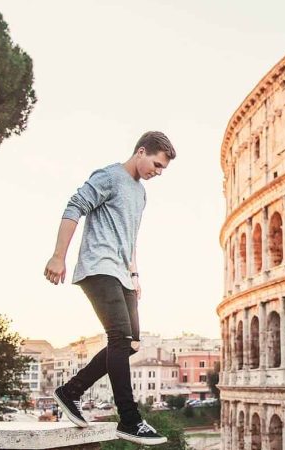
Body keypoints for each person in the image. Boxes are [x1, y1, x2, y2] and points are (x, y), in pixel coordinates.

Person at [44, 131, 175, 446]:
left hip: (123, 273)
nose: (156, 173)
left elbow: (130, 237)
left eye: (161, 170)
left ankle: (70, 391)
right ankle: (130, 419)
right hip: (98, 267)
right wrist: (58, 256)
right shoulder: (109, 176)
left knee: (130, 344)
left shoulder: (141, 194)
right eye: (155, 165)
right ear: (141, 151)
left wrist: (135, 274)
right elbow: (74, 206)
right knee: (119, 338)